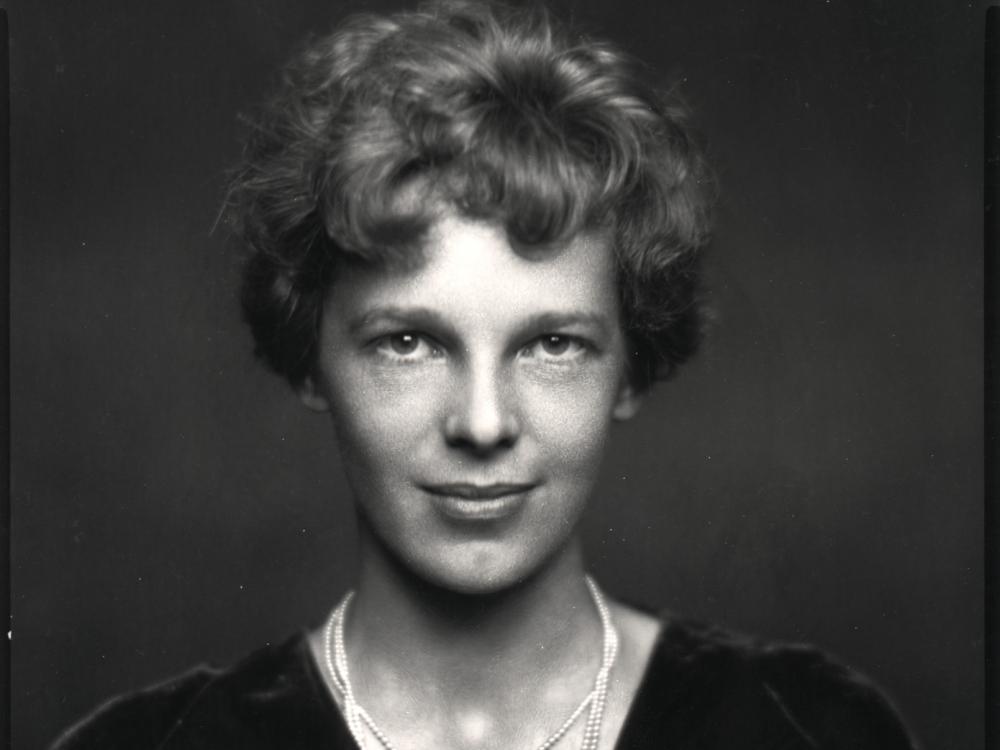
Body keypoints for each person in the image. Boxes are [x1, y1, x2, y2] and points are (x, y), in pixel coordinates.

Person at [51, 2, 918, 748]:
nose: (481, 421)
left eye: (552, 345)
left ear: (630, 370)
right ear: (312, 357)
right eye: (408, 343)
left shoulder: (807, 728)